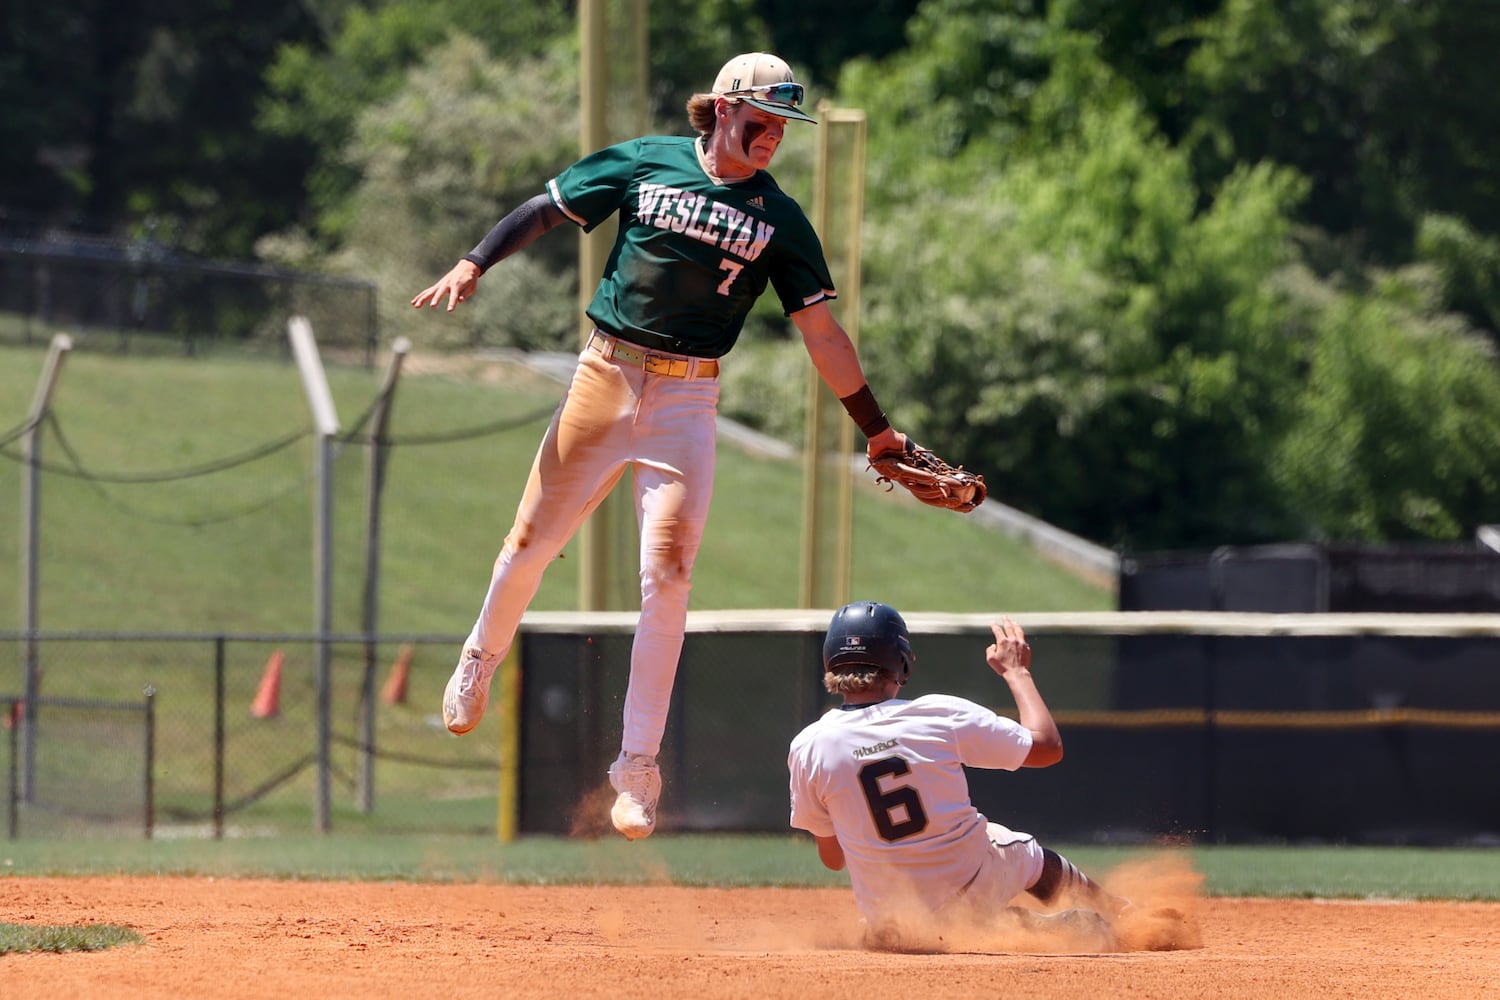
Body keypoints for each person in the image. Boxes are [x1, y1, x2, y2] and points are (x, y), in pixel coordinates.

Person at [411, 53, 908, 841]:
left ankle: (637, 769)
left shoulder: (780, 219)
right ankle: (479, 658)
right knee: (530, 543)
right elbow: (546, 209)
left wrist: (876, 429)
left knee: (668, 578)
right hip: (604, 374)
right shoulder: (648, 162)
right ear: (721, 108)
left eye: (784, 126)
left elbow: (822, 333)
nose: (774, 135)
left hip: (686, 396)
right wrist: (476, 260)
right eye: (763, 118)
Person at [787, 601, 1129, 952]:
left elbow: (833, 858)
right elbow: (1047, 747)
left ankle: (997, 926)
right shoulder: (938, 715)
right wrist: (1017, 673)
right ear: (901, 661)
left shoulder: (808, 746)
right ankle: (1121, 915)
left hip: (897, 921)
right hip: (974, 886)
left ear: (830, 661)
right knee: (1021, 850)